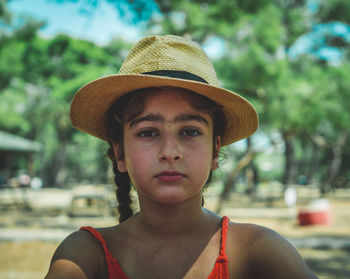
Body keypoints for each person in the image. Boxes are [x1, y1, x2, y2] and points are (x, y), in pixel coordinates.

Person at [45, 35, 317, 279]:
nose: (170, 152)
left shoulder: (257, 251)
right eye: (148, 132)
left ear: (215, 150)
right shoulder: (84, 257)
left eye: (189, 131)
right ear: (119, 153)